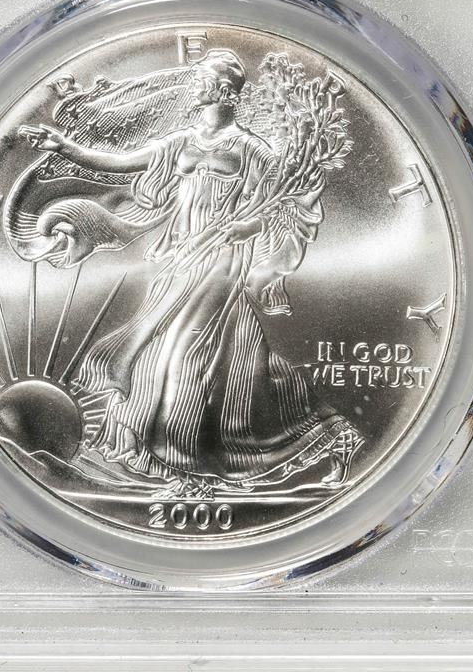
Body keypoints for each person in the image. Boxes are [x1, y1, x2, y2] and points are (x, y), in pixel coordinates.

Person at [20, 49, 361, 494]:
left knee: (183, 353)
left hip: (222, 259)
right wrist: (65, 147)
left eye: (201, 80)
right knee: (218, 360)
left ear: (223, 90)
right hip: (182, 257)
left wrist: (247, 226)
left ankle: (186, 467)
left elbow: (283, 206)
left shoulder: (251, 149)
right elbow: (120, 163)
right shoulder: (181, 141)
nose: (194, 86)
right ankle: (328, 436)